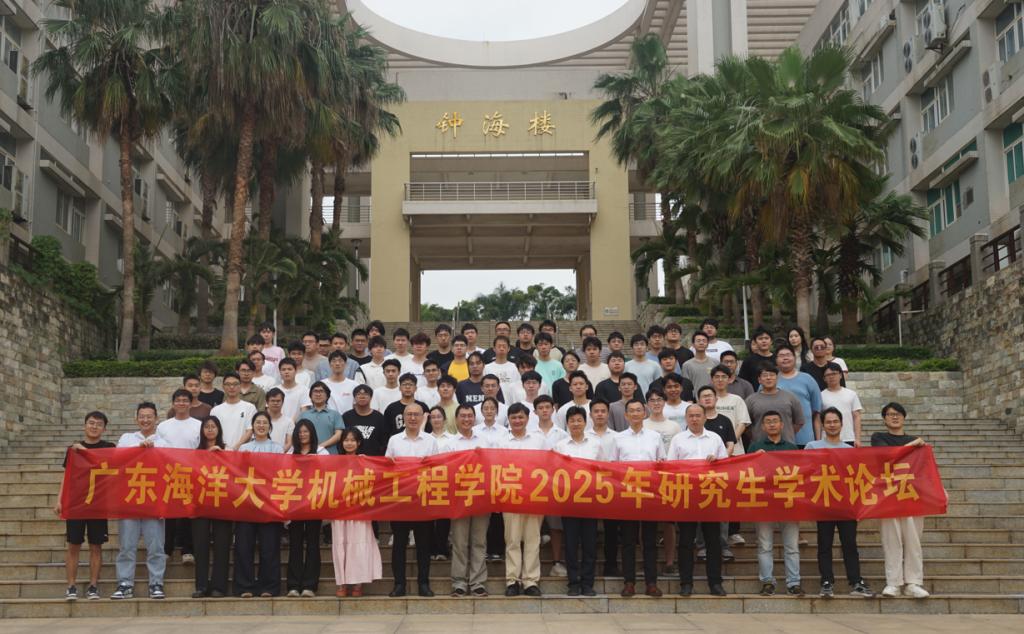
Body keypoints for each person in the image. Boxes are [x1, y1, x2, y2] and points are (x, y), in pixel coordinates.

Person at [805, 408, 875, 599]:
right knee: (824, 545)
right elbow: (805, 473)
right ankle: (826, 582)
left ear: (842, 424)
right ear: (822, 425)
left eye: (835, 421)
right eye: (828, 422)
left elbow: (857, 480)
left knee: (850, 544)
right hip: (823, 503)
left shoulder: (850, 450)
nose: (832, 425)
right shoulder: (812, 446)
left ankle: (856, 581)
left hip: (846, 505)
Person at [667, 403, 728, 597]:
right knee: (686, 541)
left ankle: (715, 583)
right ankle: (686, 583)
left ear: (705, 417)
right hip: (686, 495)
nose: (694, 419)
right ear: (686, 418)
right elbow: (671, 467)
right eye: (691, 416)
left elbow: (727, 467)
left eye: (698, 415)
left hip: (710, 494)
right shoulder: (678, 439)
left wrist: (716, 462)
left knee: (713, 541)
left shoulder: (715, 438)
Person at [111, 403, 169, 600]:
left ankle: (156, 583)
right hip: (130, 499)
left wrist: (153, 451)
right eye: (142, 416)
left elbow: (168, 467)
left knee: (156, 546)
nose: (145, 420)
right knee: (127, 546)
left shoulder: (163, 442)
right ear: (136, 419)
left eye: (149, 416)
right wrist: (137, 449)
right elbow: (117, 460)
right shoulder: (126, 439)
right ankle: (124, 584)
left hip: (153, 500)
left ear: (156, 419)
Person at [872, 402, 930, 599]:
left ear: (904, 417)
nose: (894, 417)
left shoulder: (914, 440)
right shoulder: (879, 437)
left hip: (912, 495)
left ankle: (913, 582)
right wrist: (913, 446)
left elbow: (925, 469)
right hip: (888, 495)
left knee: (913, 541)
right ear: (884, 419)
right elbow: (887, 457)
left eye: (898, 414)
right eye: (890, 414)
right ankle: (893, 583)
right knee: (891, 540)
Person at [55, 411, 115, 600]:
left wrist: (85, 452)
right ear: (84, 425)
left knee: (96, 546)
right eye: (91, 423)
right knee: (73, 545)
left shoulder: (109, 447)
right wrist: (60, 499)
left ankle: (93, 586)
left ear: (104, 428)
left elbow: (115, 467)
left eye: (99, 424)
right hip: (76, 503)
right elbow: (67, 476)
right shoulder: (73, 450)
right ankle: (71, 586)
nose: (94, 426)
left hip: (98, 503)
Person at [385, 402, 438, 597]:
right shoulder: (394, 440)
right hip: (400, 501)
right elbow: (386, 467)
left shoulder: (430, 440)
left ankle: (424, 584)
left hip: (423, 500)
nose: (413, 418)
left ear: (423, 417)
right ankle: (399, 584)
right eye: (409, 415)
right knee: (399, 544)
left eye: (417, 414)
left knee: (424, 545)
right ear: (404, 418)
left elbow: (438, 468)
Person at [748, 412, 803, 597]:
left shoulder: (792, 448)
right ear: (763, 427)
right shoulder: (755, 447)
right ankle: (767, 581)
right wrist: (754, 459)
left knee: (792, 546)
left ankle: (794, 582)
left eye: (775, 421)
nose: (772, 424)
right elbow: (746, 473)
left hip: (788, 501)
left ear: (782, 425)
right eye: (768, 422)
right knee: (765, 545)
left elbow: (800, 474)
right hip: (763, 503)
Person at [614, 399, 665, 597]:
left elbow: (662, 463)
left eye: (639, 410)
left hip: (650, 494)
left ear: (644, 413)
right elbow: (613, 466)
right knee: (628, 540)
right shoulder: (618, 438)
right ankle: (629, 582)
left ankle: (651, 583)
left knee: (650, 540)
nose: (635, 414)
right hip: (627, 494)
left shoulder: (655, 437)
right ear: (626, 415)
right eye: (631, 411)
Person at [442, 404, 492, 597]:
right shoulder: (450, 444)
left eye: (470, 416)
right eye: (462, 416)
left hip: (481, 498)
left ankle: (478, 581)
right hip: (459, 499)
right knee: (459, 542)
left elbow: (494, 467)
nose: (466, 419)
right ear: (456, 419)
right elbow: (445, 470)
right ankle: (459, 582)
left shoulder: (485, 442)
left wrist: (483, 457)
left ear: (474, 418)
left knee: (479, 541)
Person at [234, 412, 283, 598]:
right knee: (243, 547)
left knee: (269, 548)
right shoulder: (244, 448)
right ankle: (244, 586)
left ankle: (268, 587)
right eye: (257, 422)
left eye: (264, 423)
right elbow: (236, 473)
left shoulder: (277, 448)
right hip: (246, 503)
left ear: (270, 426)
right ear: (252, 426)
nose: (261, 425)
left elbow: (280, 474)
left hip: (269, 505)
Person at [499, 404, 546, 597]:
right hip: (510, 495)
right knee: (512, 540)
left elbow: (548, 465)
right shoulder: (501, 441)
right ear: (508, 420)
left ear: (527, 418)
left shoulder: (539, 440)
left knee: (533, 539)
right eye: (513, 418)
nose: (517, 421)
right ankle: (512, 580)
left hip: (534, 495)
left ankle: (530, 581)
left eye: (520, 417)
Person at [555, 406, 602, 596]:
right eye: (572, 420)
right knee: (571, 543)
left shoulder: (596, 445)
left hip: (591, 501)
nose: (576, 424)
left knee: (590, 544)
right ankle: (573, 582)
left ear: (585, 422)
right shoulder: (560, 447)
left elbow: (604, 471)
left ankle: (588, 583)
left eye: (579, 420)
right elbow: (554, 473)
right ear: (567, 423)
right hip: (569, 502)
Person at [332, 428, 383, 597]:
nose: (349, 443)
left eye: (353, 440)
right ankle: (341, 584)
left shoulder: (365, 460)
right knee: (340, 544)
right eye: (346, 440)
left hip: (360, 510)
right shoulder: (334, 462)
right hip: (340, 510)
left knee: (359, 545)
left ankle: (358, 584)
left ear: (359, 442)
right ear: (341, 443)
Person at [157, 389, 202, 565]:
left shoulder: (198, 425)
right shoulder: (163, 426)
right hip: (169, 474)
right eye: (178, 400)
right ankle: (167, 549)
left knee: (188, 513)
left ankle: (187, 550)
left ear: (190, 403)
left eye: (185, 400)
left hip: (191, 474)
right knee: (168, 514)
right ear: (173, 403)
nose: (181, 403)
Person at [285, 420, 328, 597]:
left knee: (312, 543)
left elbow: (329, 474)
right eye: (300, 432)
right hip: (294, 503)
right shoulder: (290, 453)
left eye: (306, 431)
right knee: (295, 544)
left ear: (312, 433)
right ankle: (293, 585)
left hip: (314, 503)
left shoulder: (321, 452)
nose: (303, 435)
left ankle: (310, 585)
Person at [191, 416, 232, 598]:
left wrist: (222, 455)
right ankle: (201, 585)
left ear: (219, 430)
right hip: (201, 504)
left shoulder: (228, 450)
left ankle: (219, 587)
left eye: (213, 426)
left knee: (222, 545)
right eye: (206, 427)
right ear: (202, 431)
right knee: (201, 546)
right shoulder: (195, 453)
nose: (210, 429)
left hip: (223, 503)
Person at [642, 387, 681, 576]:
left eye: (659, 400)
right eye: (652, 400)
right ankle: (645, 561)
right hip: (646, 479)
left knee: (669, 522)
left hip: (669, 478)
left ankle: (670, 561)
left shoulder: (674, 426)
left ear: (664, 402)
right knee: (645, 522)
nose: (656, 403)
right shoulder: (642, 424)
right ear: (647, 404)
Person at [774, 344, 822, 448]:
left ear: (795, 358)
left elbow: (816, 413)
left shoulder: (808, 379)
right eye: (781, 356)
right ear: (776, 360)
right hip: (778, 440)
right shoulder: (770, 381)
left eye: (788, 355)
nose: (785, 358)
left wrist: (818, 441)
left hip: (805, 439)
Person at [745, 365, 804, 445]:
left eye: (772, 375)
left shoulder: (790, 397)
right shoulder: (750, 400)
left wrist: (787, 432)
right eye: (765, 375)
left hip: (786, 446)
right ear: (759, 380)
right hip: (760, 447)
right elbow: (745, 425)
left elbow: (799, 422)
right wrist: (756, 436)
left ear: (777, 378)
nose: (768, 378)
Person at [211, 372, 259, 450]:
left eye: (235, 384)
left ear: (240, 386)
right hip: (221, 451)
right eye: (228, 384)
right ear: (223, 387)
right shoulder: (215, 410)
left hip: (243, 451)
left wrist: (237, 447)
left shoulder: (250, 408)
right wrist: (225, 448)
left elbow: (250, 430)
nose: (232, 387)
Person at [819, 362, 864, 445]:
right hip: (827, 439)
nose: (831, 377)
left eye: (834, 373)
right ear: (824, 378)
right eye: (828, 375)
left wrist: (857, 438)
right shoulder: (820, 396)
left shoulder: (851, 394)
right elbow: (818, 419)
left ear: (840, 375)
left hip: (848, 438)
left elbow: (857, 417)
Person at [343, 385, 389, 456]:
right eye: (359, 394)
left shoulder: (379, 417)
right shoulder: (346, 416)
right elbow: (342, 439)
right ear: (354, 398)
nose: (362, 396)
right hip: (351, 459)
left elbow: (384, 441)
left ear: (371, 397)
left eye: (366, 394)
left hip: (373, 459)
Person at [274, 358, 312, 423]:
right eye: (283, 369)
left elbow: (304, 411)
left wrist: (290, 424)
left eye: (289, 369)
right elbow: (270, 410)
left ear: (296, 371)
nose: (286, 372)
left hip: (297, 425)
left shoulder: (304, 390)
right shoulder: (274, 390)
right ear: (280, 372)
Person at [323, 350, 359, 415]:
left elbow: (356, 406)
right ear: (330, 364)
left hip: (348, 419)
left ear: (345, 364)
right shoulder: (323, 385)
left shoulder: (354, 385)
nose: (337, 363)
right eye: (334, 361)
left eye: (340, 361)